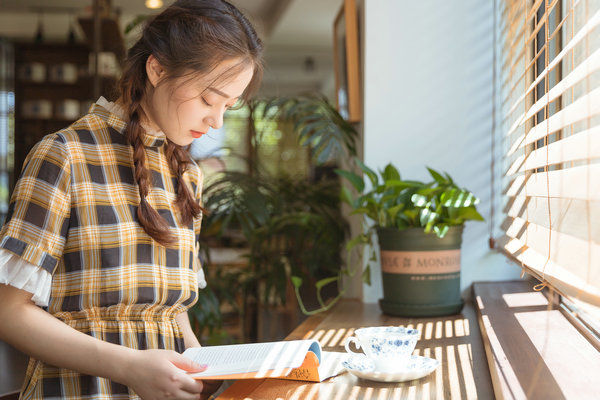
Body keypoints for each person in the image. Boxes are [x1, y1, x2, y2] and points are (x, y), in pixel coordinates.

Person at [0, 0, 263, 398]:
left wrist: (201, 372)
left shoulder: (188, 175)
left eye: (229, 105)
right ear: (156, 69)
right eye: (209, 100)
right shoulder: (65, 155)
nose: (217, 121)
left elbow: (174, 316)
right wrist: (129, 367)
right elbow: (9, 312)